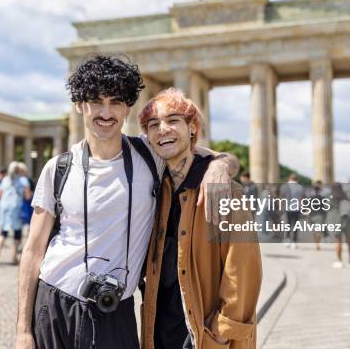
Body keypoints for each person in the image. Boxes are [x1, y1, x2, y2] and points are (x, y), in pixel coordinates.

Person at [16, 55, 237, 349]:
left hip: (115, 308)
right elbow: (32, 251)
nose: (106, 112)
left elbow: (216, 156)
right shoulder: (58, 168)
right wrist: (23, 330)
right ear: (81, 105)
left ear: (127, 108)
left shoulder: (150, 155)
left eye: (116, 101)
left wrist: (220, 167)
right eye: (96, 101)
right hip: (55, 300)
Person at [139, 88, 262, 348]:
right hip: (160, 335)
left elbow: (242, 268)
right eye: (153, 125)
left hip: (205, 337)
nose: (163, 130)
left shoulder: (225, 191)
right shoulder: (156, 192)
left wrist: (221, 331)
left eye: (173, 120)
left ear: (192, 128)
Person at [0, 161, 31, 265]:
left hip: (4, 207)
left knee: (3, 232)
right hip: (16, 207)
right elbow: (27, 196)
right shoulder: (23, 180)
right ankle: (14, 257)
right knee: (17, 233)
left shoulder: (5, 179)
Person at [332, 183, 350, 269]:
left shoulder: (331, 197)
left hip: (337, 220)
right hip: (348, 220)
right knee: (349, 241)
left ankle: (339, 261)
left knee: (338, 241)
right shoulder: (346, 197)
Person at [279, 173, 304, 249]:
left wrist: (281, 207)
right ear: (296, 179)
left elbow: (281, 197)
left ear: (289, 179)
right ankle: (294, 242)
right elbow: (302, 199)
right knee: (295, 225)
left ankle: (287, 240)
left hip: (287, 208)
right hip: (297, 208)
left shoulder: (284, 186)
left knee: (287, 225)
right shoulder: (300, 187)